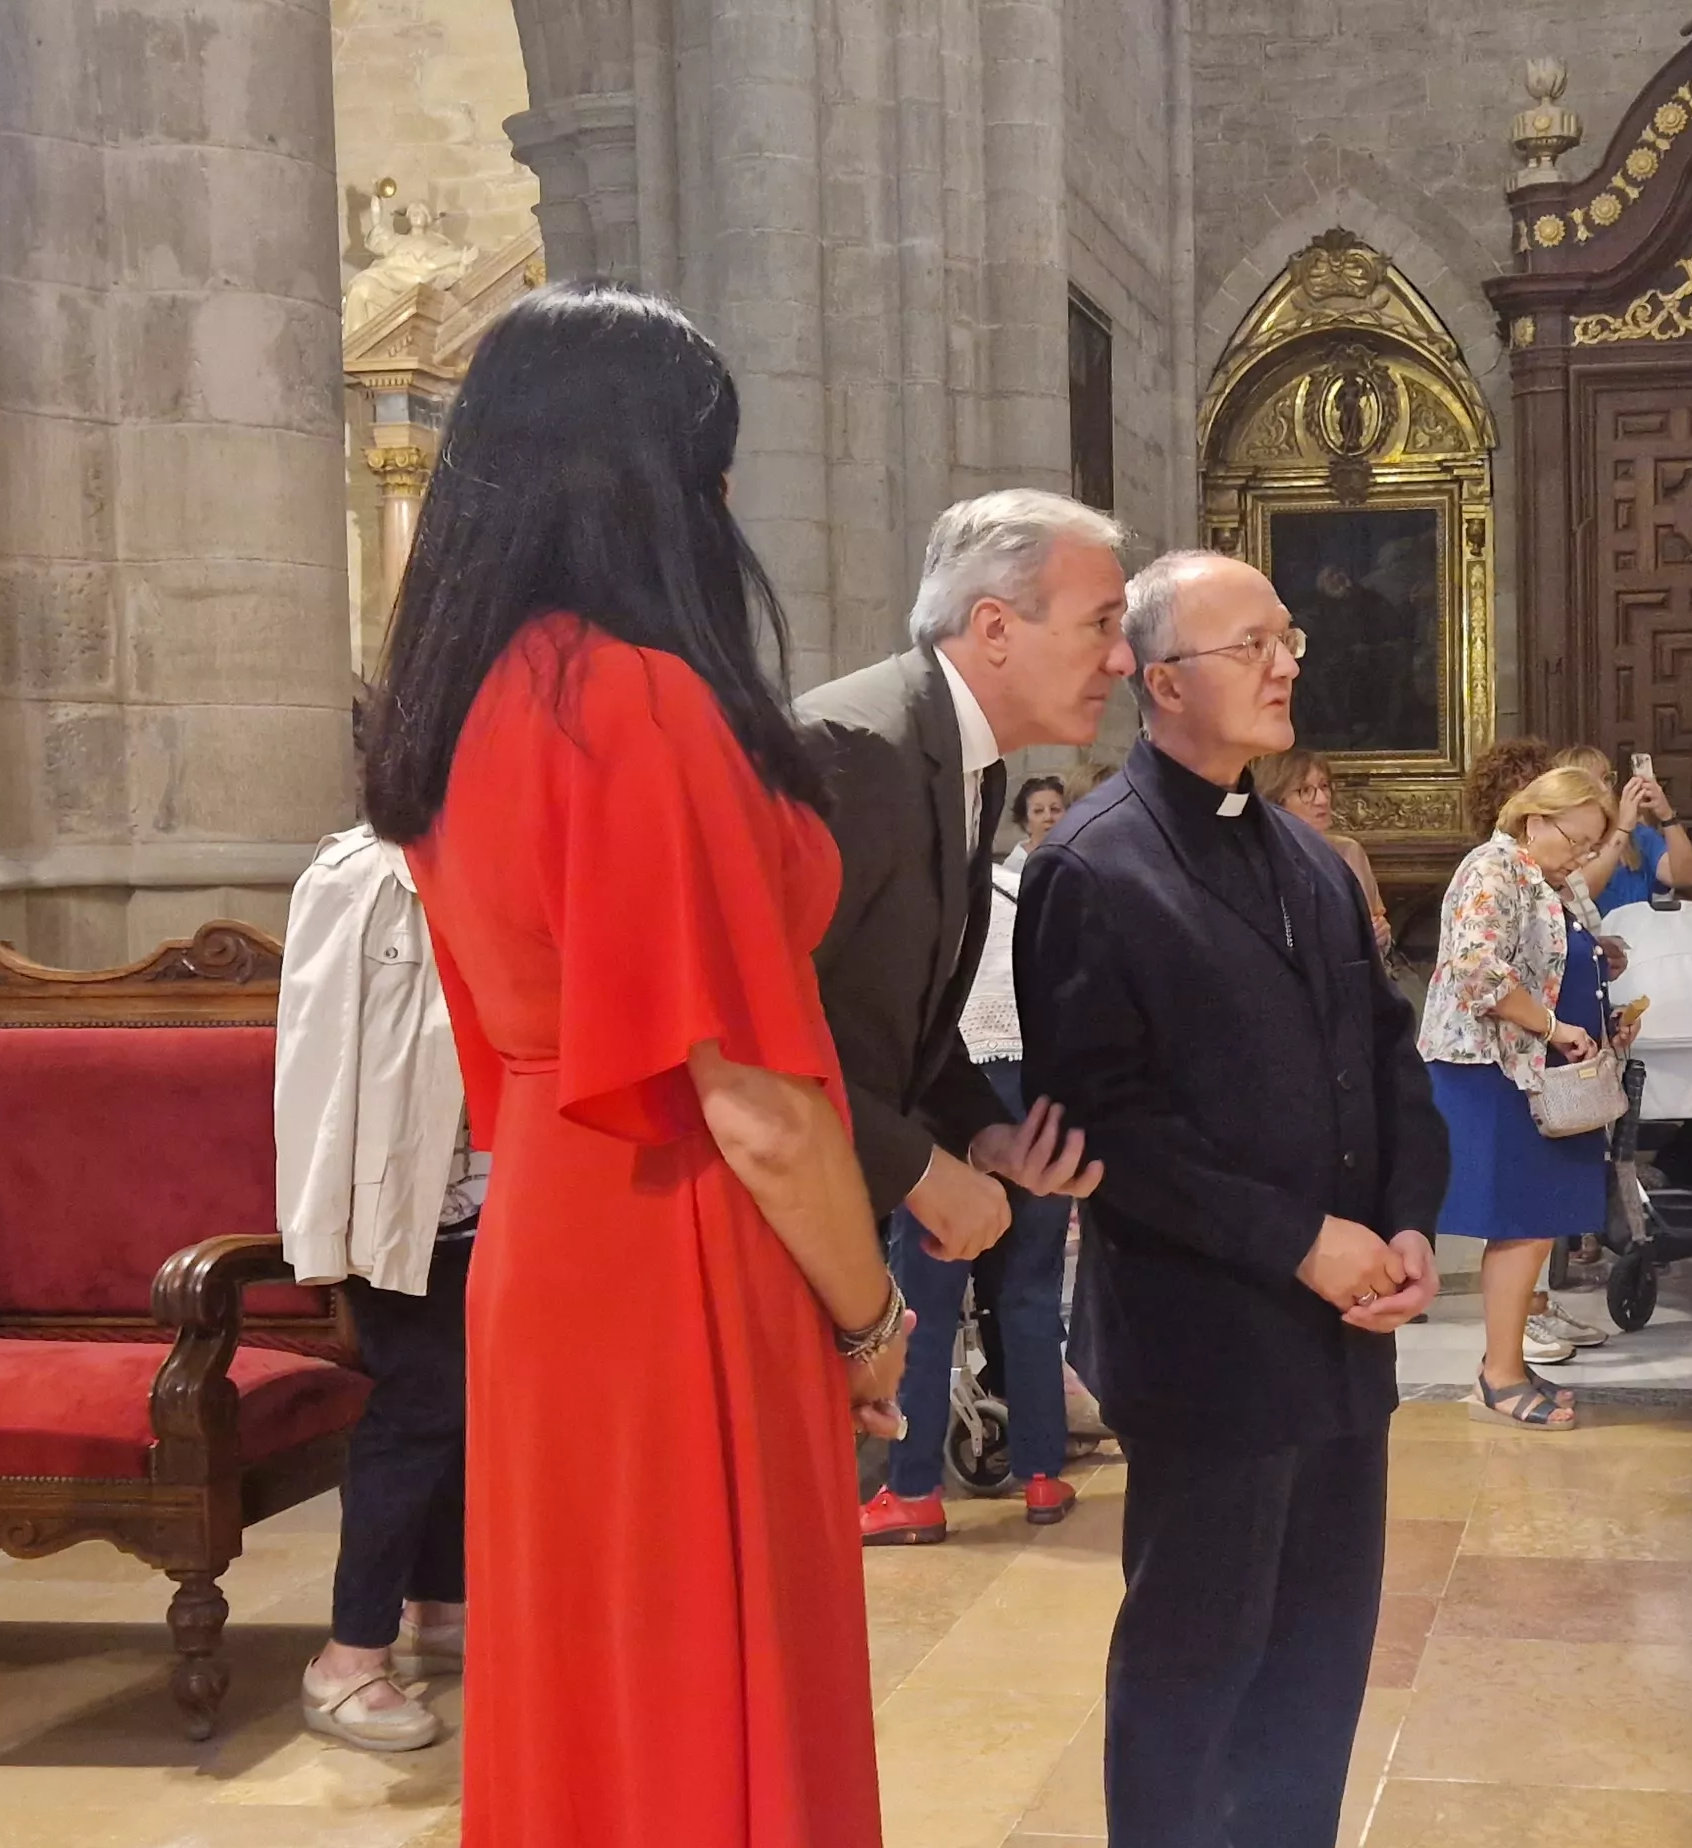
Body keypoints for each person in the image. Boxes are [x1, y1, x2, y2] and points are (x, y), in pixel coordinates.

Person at [360, 285, 902, 1845]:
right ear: (643, 480)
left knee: (593, 1685)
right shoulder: (635, 701)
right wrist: (869, 1322)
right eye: (712, 464)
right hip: (684, 1242)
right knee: (709, 1684)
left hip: (548, 1224)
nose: (728, 502)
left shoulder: (462, 700)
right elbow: (756, 1105)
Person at [1016, 550, 1447, 1846]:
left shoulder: (1310, 862)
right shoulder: (1093, 866)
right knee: (1196, 1664)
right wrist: (1302, 1241)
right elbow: (1103, 1120)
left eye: (1288, 638)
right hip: (1207, 1335)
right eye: (1249, 645)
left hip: (1341, 1340)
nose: (1286, 664)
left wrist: (1413, 1219)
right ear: (1161, 684)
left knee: (1319, 1661)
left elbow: (1384, 1053)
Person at [813, 491, 1121, 1545]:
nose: (1119, 659)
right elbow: (757, 1030)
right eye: (1100, 624)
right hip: (771, 1213)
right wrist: (921, 1170)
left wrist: (980, 1131)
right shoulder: (852, 748)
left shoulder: (958, 755)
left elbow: (896, 1013)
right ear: (994, 626)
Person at [274, 821, 486, 1751]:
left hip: (506, 1180)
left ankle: (439, 1606)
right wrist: (326, 1225)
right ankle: (348, 1657)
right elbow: (317, 1061)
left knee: (469, 1403)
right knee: (418, 1406)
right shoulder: (363, 872)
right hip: (405, 1194)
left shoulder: (517, 849)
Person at [873, 792, 1084, 1542]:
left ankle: (914, 1488)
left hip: (955, 1092)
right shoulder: (1058, 896)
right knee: (1028, 1295)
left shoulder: (949, 898)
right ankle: (1041, 1474)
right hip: (1037, 1097)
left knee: (925, 1301)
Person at [1419, 764, 1622, 1430]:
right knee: (1519, 1221)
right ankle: (1498, 1376)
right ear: (1536, 820)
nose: (1586, 856)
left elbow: (1559, 958)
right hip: (1493, 1070)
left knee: (1534, 1224)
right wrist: (1555, 1025)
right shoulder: (1494, 867)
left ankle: (1504, 1362)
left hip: (1539, 1069)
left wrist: (1603, 991)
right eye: (1579, 839)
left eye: (1595, 845)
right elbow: (1477, 968)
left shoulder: (1549, 876)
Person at [1258, 746, 1392, 956]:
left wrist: (1382, 937)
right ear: (1277, 802)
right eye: (1305, 791)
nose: (1322, 799)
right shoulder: (1261, 858)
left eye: (1324, 786)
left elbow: (1376, 926)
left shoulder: (1349, 851)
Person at [1554, 744, 1692, 905]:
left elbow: (1685, 877)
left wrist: (1667, 816)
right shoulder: (1558, 840)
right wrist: (1622, 829)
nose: (1605, 788)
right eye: (1590, 782)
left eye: (1607, 779)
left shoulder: (1638, 835)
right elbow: (1578, 896)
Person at [1004, 773, 1072, 875]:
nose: (1048, 817)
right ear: (1025, 822)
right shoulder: (1013, 869)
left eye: (1055, 809)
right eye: (1039, 811)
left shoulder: (1075, 858)